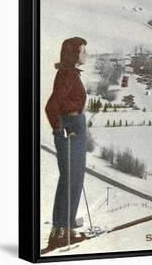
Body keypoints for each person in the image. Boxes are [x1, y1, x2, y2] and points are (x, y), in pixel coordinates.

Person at [44, 37, 89, 251]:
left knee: (73, 178)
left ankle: (64, 229)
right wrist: (59, 131)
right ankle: (62, 231)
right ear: (74, 54)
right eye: (83, 52)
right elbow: (51, 106)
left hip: (74, 126)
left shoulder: (69, 73)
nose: (86, 55)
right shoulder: (67, 75)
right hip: (72, 128)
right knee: (71, 179)